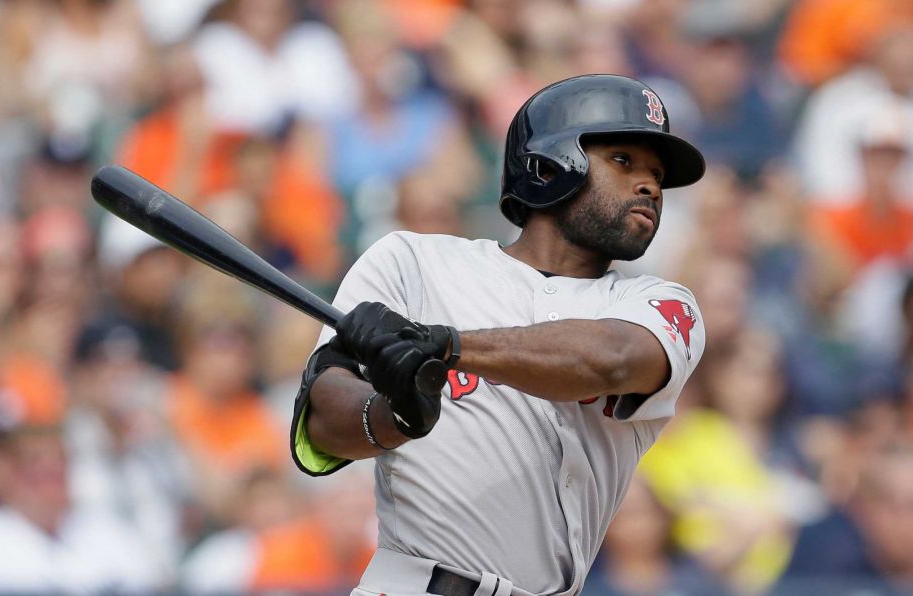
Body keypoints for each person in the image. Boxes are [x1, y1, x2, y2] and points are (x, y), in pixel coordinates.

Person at [289, 74, 707, 595]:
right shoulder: (414, 262)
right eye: (623, 161)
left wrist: (447, 345)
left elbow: (612, 360)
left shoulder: (663, 305)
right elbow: (326, 421)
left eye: (657, 176)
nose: (649, 186)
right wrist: (395, 414)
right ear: (549, 165)